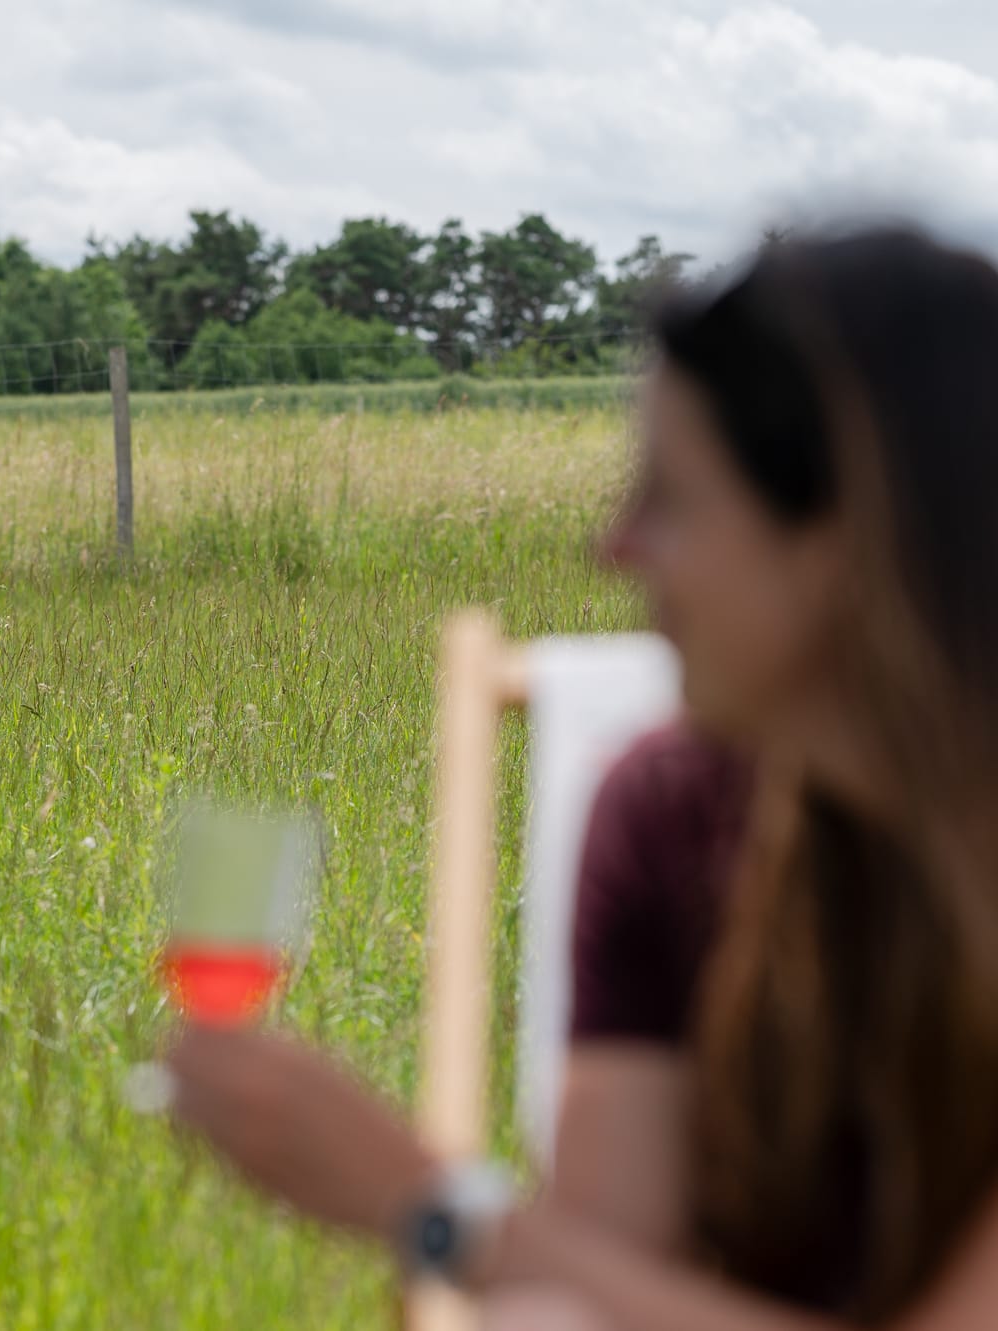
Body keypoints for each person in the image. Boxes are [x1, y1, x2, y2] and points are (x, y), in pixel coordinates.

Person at [165, 224, 998, 1328]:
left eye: (671, 497)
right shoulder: (669, 807)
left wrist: (422, 1200)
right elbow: (580, 1289)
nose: (612, 545)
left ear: (843, 532)